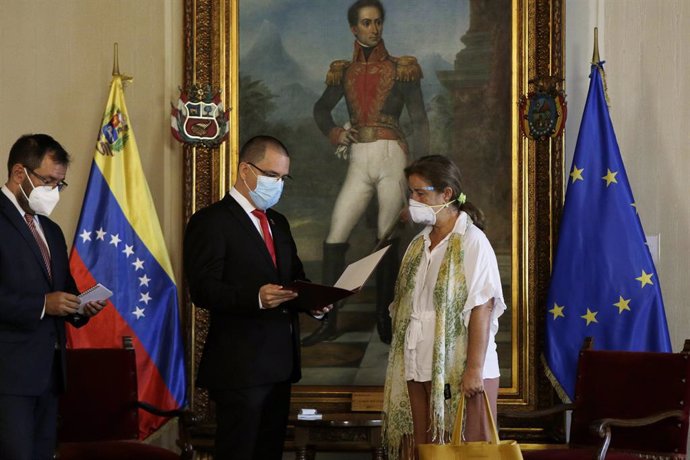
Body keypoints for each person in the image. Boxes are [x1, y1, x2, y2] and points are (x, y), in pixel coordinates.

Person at [183, 135, 331, 460]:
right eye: (271, 175)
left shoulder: (278, 222)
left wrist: (314, 303)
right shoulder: (211, 221)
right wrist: (256, 297)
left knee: (269, 452)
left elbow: (295, 279)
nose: (277, 184)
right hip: (239, 366)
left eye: (283, 178)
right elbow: (203, 288)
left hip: (280, 364)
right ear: (245, 170)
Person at [307, 0, 430, 346]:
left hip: (393, 157)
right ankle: (329, 320)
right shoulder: (343, 72)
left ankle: (384, 319)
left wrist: (418, 178)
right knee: (335, 237)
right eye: (366, 23)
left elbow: (420, 121)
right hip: (358, 160)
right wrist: (334, 132)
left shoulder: (402, 68)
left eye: (377, 22)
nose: (373, 29)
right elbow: (320, 109)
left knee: (386, 237)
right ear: (353, 29)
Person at [382, 155, 506, 460]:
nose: (413, 200)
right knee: (426, 451)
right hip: (418, 365)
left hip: (463, 369)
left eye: (421, 193)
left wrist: (474, 370)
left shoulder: (472, 241)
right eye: (411, 193)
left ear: (446, 194)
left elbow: (482, 306)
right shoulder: (418, 243)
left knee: (466, 451)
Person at [0, 133, 106, 460]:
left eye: (60, 184)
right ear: (20, 173)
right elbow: (44, 300)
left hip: (49, 376)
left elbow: (64, 288)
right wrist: (43, 305)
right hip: (9, 377)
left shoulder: (51, 231)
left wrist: (81, 306)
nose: (54, 192)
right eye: (48, 181)